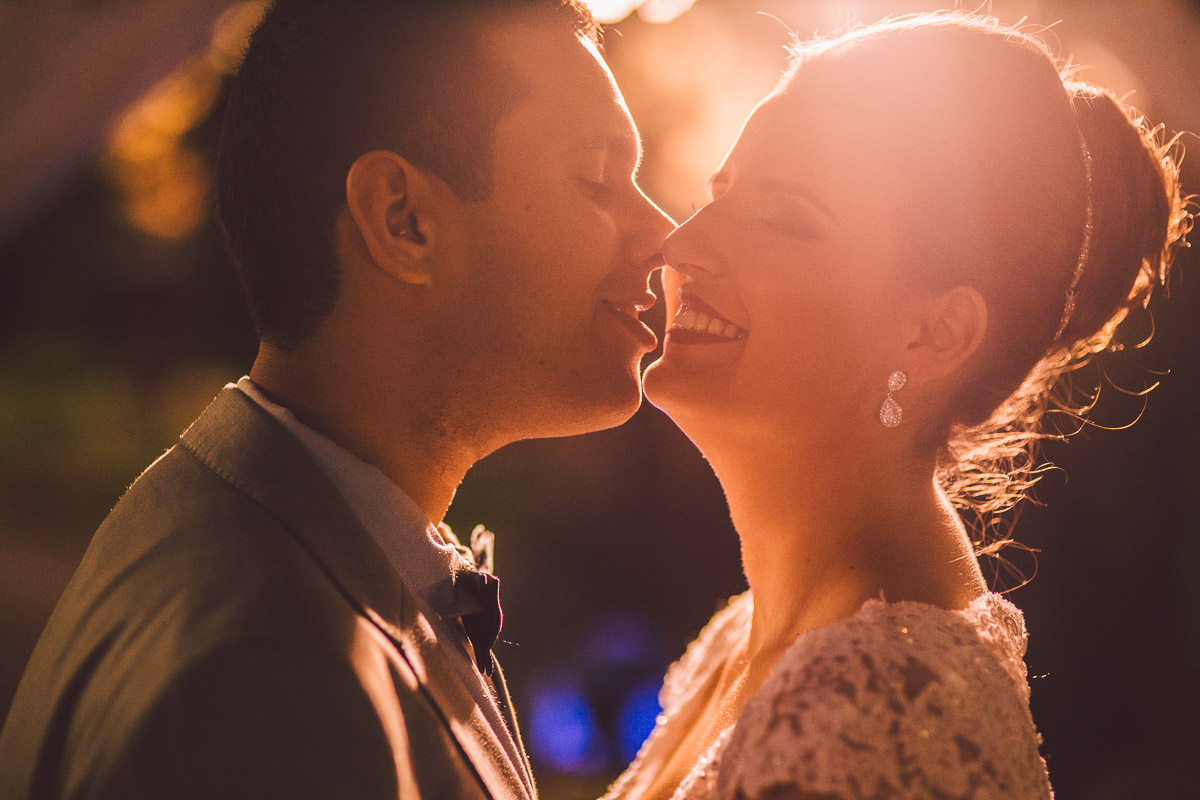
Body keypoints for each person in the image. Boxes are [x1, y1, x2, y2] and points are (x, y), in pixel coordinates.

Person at [0, 1, 673, 798]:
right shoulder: (272, 681)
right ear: (404, 220)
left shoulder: (251, 519)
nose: (661, 231)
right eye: (598, 179)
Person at [605, 11, 1190, 800]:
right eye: (724, 193)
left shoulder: (877, 705)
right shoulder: (736, 642)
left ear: (937, 332)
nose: (684, 246)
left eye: (783, 219)